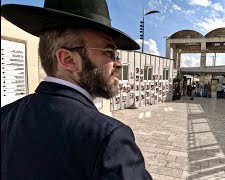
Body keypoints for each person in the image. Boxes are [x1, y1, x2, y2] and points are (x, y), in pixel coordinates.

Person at [1, 0, 151, 179]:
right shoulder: (109, 138)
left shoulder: (5, 116)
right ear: (68, 59)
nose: (119, 63)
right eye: (109, 52)